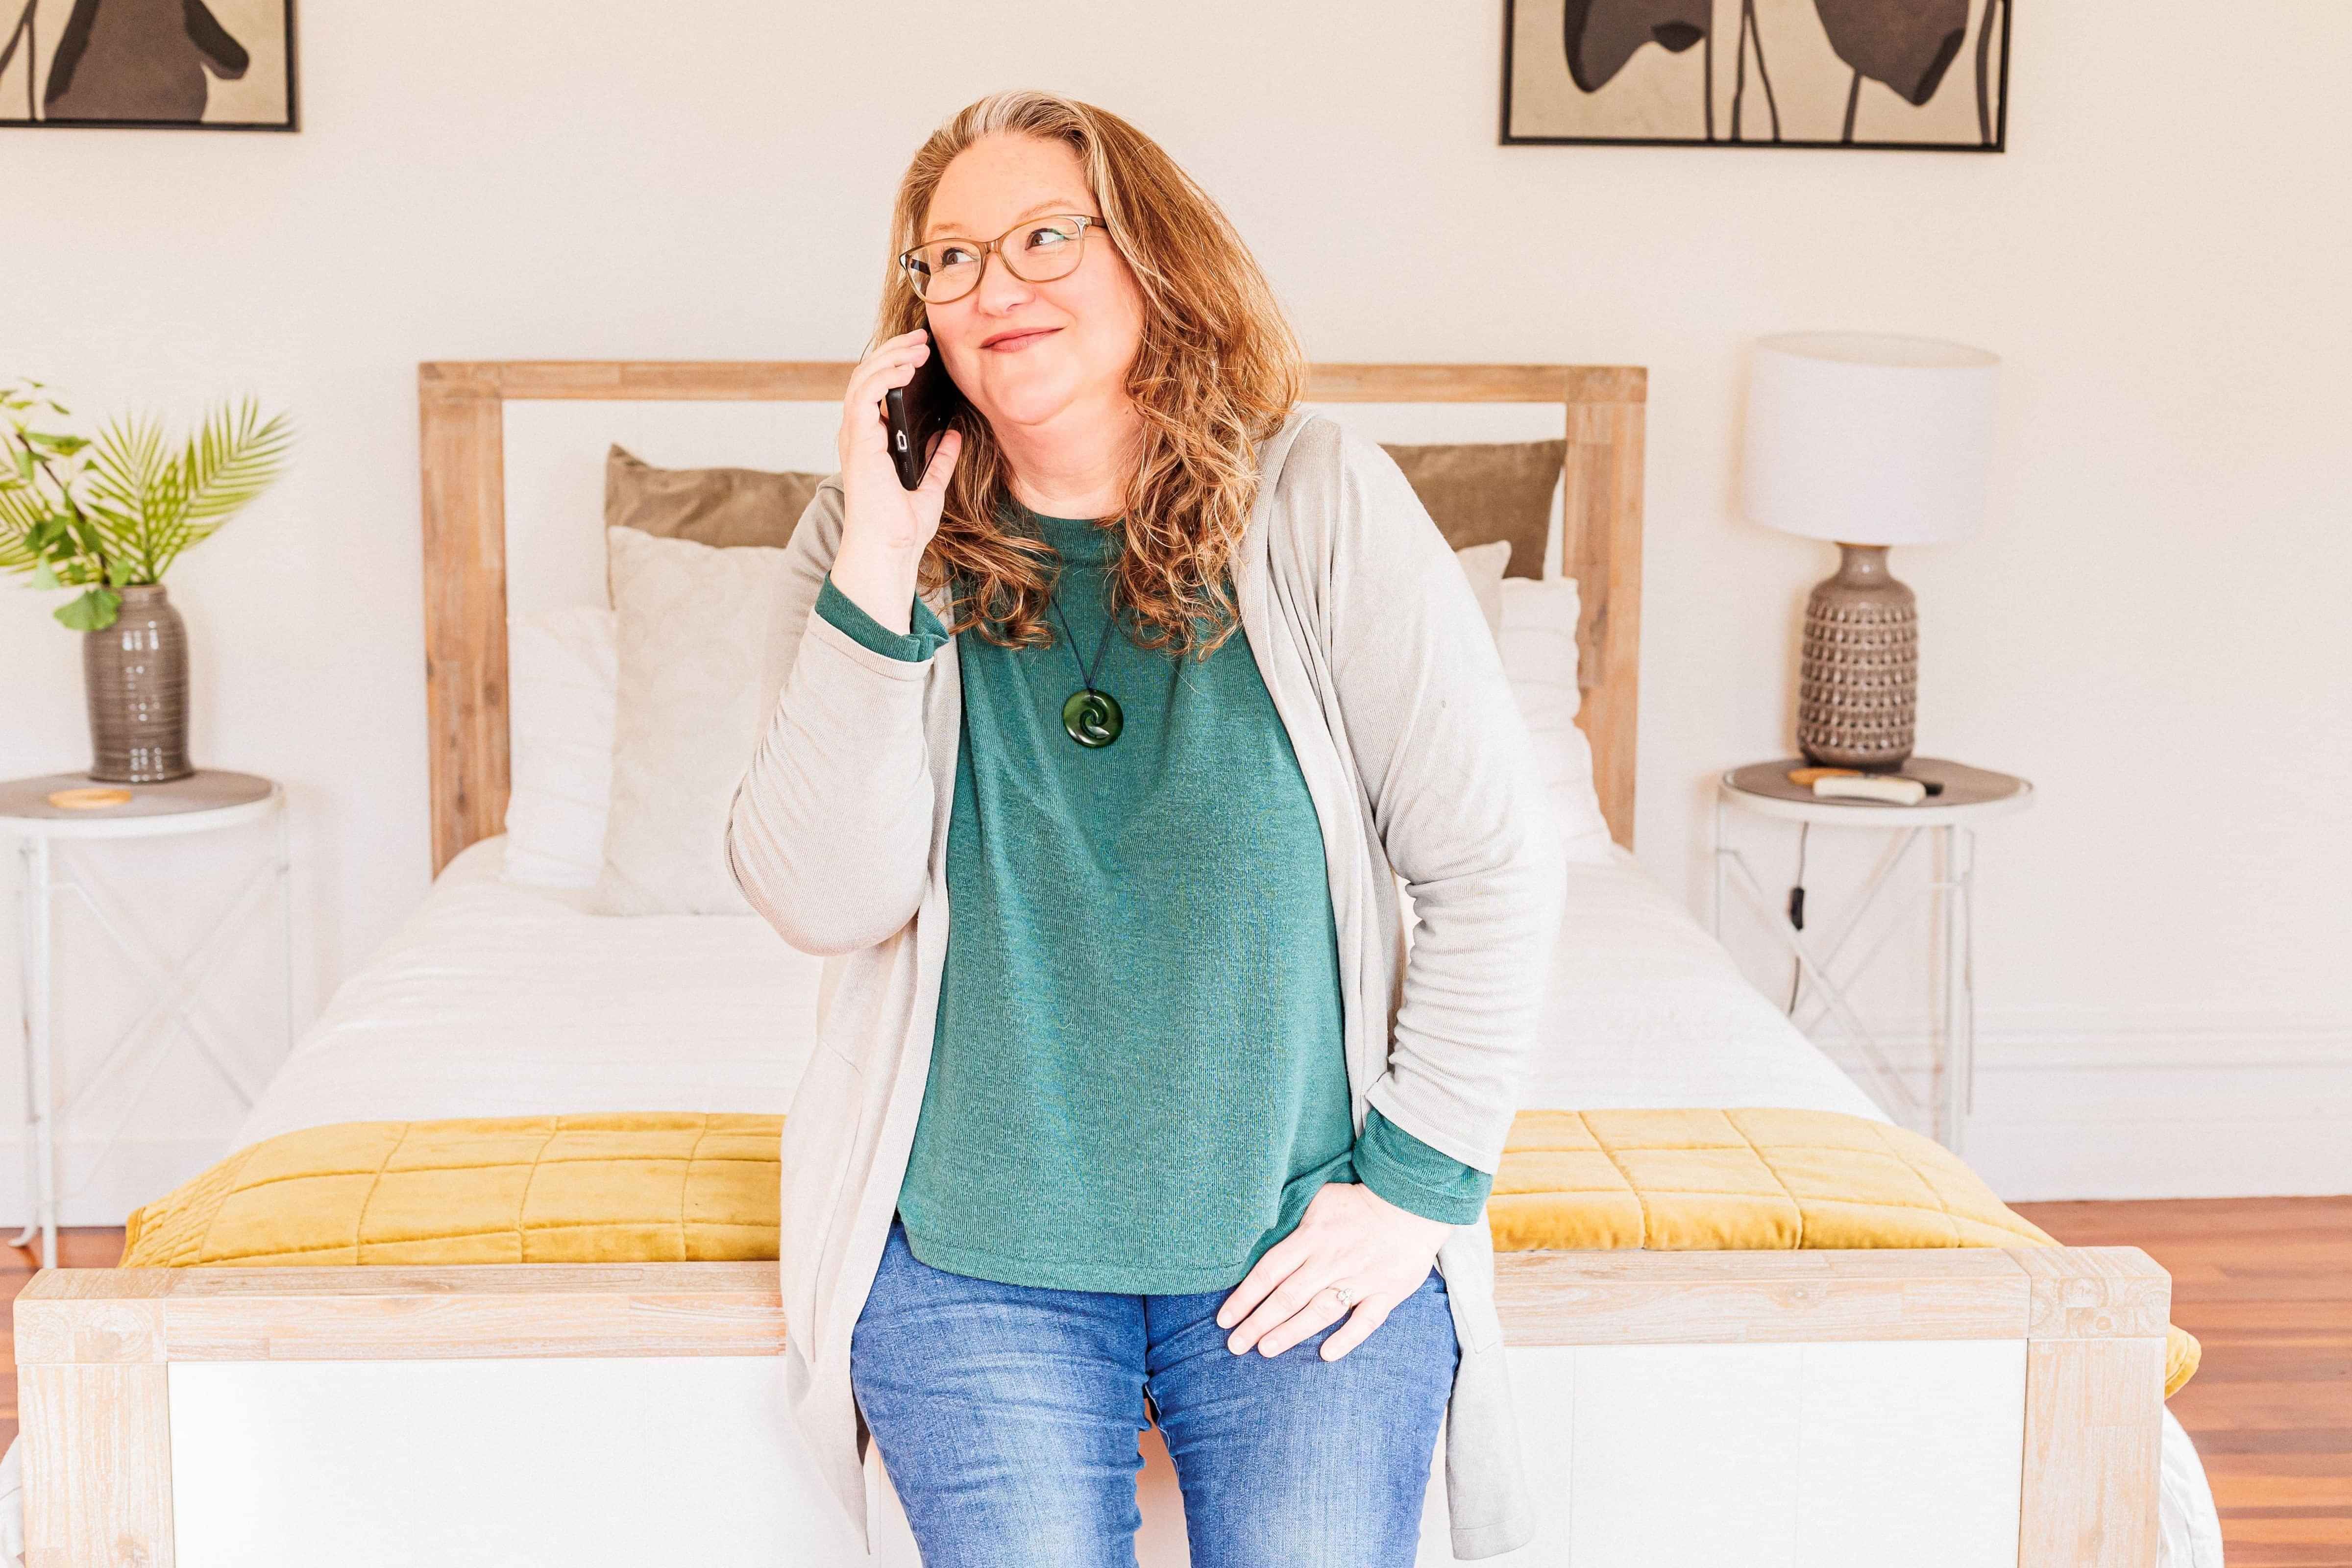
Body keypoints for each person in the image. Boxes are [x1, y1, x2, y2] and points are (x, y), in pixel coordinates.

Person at [725, 88, 1565, 1567]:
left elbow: (1493, 865)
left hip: (1290, 1236)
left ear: (1154, 262)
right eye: (953, 259)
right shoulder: (862, 543)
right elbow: (823, 896)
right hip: (971, 1253)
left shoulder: (1319, 506)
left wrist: (1416, 1190)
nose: (997, 285)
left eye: (1047, 235)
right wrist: (878, 548)